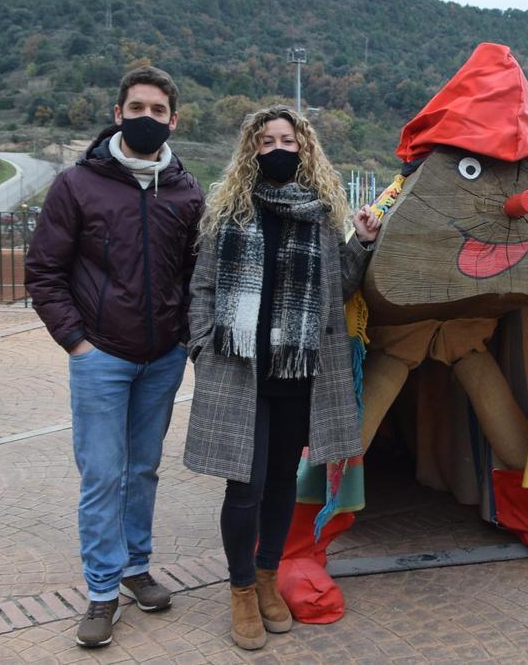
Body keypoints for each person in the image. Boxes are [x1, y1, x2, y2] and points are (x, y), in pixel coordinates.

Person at [182, 105, 380, 650]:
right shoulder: (228, 213)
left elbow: (336, 288)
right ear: (251, 150)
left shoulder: (318, 214)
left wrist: (360, 243)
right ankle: (242, 590)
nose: (276, 150)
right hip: (240, 371)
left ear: (304, 148)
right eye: (266, 141)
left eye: (286, 141)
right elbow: (201, 288)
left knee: (278, 485)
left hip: (297, 373)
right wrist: (202, 347)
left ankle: (269, 578)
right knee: (242, 487)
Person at [24, 66, 204, 647]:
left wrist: (181, 337)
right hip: (100, 356)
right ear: (118, 112)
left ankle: (134, 568)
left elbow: (197, 275)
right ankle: (102, 592)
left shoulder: (187, 190)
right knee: (102, 475)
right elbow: (44, 271)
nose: (146, 117)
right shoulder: (79, 185)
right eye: (137, 107)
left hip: (162, 358)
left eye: (158, 110)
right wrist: (77, 342)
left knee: (143, 468)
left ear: (173, 120)